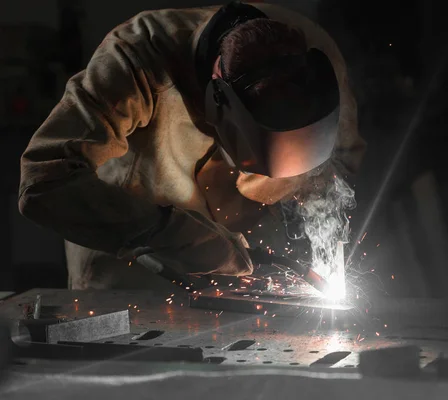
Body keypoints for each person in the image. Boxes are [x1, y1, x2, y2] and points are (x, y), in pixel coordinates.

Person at [18, 1, 366, 291]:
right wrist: (168, 232)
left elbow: (339, 171)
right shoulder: (135, 59)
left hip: (249, 270)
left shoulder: (320, 62)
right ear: (216, 101)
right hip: (132, 268)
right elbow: (43, 182)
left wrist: (323, 246)